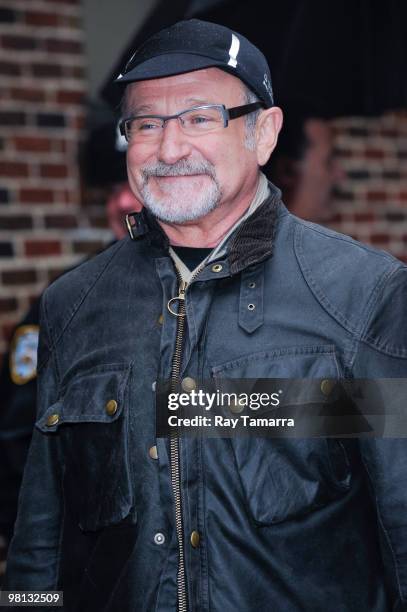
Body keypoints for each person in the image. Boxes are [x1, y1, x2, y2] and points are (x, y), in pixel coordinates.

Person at [4, 19, 407, 612]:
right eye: (146, 124)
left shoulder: (360, 296)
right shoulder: (74, 305)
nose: (169, 149)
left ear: (265, 134)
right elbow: (40, 533)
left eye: (199, 118)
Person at [0, 122, 140, 584]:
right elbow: (17, 449)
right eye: (111, 189)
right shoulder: (64, 304)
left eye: (137, 182)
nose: (123, 202)